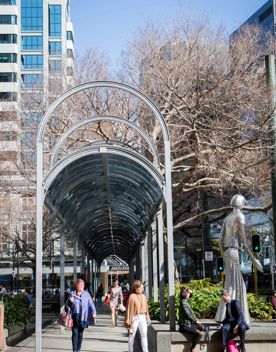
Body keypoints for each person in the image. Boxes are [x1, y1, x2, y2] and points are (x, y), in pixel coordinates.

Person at [215, 194, 263, 325]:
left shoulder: (227, 218)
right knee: (237, 285)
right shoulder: (240, 216)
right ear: (241, 204)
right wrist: (254, 259)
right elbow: (244, 241)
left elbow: (220, 240)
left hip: (227, 252)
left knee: (231, 283)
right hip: (233, 252)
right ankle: (239, 317)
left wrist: (225, 253)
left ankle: (224, 315)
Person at [67, 278, 96, 352]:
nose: (81, 286)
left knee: (80, 333)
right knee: (75, 333)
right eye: (79, 285)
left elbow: (91, 304)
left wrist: (94, 312)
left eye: (82, 285)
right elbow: (67, 306)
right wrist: (70, 302)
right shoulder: (72, 293)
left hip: (83, 317)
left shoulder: (86, 294)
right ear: (76, 285)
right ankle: (75, 350)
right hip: (74, 316)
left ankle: (78, 348)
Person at [124, 280, 150, 352]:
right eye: (141, 288)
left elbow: (146, 308)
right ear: (136, 288)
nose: (142, 289)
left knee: (144, 335)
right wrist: (129, 320)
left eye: (143, 288)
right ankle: (130, 350)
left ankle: (145, 351)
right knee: (132, 336)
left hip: (143, 317)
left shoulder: (143, 296)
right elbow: (129, 309)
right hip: (134, 317)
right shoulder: (132, 296)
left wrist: (147, 317)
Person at [178, 287, 207, 352]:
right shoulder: (183, 303)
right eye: (188, 293)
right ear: (185, 294)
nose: (189, 294)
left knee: (203, 327)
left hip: (189, 323)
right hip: (185, 325)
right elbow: (188, 315)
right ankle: (192, 348)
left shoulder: (185, 301)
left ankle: (194, 342)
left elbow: (191, 296)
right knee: (199, 334)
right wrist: (196, 321)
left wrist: (190, 292)